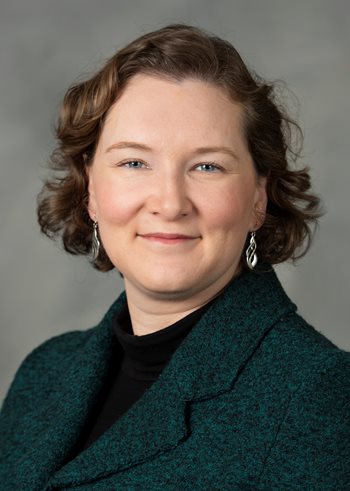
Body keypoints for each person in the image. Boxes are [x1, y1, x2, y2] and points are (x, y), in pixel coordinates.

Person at [0, 24, 349, 491]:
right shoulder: (44, 373)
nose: (170, 202)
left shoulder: (321, 395)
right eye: (133, 162)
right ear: (91, 193)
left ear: (258, 198)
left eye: (207, 166)